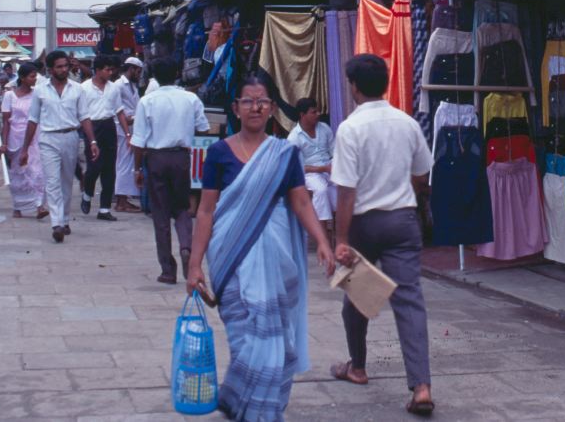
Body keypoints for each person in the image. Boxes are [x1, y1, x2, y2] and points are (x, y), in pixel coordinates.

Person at [185, 76, 334, 421]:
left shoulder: (284, 154)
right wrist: (194, 266)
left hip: (276, 258)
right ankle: (245, 405)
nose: (255, 107)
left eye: (262, 101)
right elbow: (206, 211)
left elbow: (300, 202)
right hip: (230, 258)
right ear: (235, 108)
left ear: (271, 110)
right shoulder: (219, 152)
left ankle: (254, 408)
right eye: (248, 101)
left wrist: (323, 242)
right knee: (244, 339)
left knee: (273, 341)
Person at [330, 54, 435, 416]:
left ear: (355, 87)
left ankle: (357, 366)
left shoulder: (349, 128)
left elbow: (345, 191)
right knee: (409, 303)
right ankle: (421, 386)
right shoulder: (407, 123)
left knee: (357, 298)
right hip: (403, 221)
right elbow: (422, 176)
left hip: (363, 223)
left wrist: (340, 239)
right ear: (385, 84)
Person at [131, 57, 208, 284]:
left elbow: (138, 141)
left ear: (154, 76)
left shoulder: (148, 101)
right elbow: (203, 128)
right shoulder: (190, 98)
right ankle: (186, 246)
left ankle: (167, 269)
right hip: (181, 156)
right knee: (182, 208)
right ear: (177, 73)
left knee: (160, 213)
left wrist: (137, 168)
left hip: (156, 158)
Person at [24, 50, 97, 242]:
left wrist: (93, 141)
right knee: (52, 181)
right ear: (50, 69)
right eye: (59, 66)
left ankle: (64, 219)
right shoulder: (40, 90)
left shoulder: (77, 89)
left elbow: (85, 117)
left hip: (71, 136)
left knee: (66, 182)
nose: (64, 69)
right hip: (48, 138)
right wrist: (24, 148)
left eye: (65, 66)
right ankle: (56, 223)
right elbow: (33, 120)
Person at [80, 54, 127, 222]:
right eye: (107, 69)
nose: (110, 72)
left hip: (109, 126)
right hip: (92, 127)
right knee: (93, 167)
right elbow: (81, 112)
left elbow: (119, 111)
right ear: (98, 70)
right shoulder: (84, 88)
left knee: (109, 169)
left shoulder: (113, 88)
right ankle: (87, 193)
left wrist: (127, 133)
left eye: (112, 69)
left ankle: (104, 208)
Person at [0, 63, 48, 219]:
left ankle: (39, 205)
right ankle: (18, 206)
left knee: (36, 172)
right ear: (22, 77)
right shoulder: (9, 95)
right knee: (19, 174)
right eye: (32, 76)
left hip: (34, 136)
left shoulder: (37, 94)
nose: (34, 79)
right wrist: (4, 143)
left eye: (35, 76)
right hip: (15, 138)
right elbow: (6, 121)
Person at [288, 98, 337, 240]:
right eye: (313, 112)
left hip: (329, 168)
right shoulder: (294, 137)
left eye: (317, 111)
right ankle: (322, 236)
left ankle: (342, 234)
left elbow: (334, 152)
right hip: (309, 174)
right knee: (321, 189)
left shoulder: (324, 128)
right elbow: (298, 168)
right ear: (302, 115)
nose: (318, 114)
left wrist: (334, 166)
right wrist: (322, 168)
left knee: (344, 185)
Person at [113, 56, 144, 213]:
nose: (139, 74)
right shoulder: (118, 85)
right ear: (131, 69)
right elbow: (118, 110)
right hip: (122, 130)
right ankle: (121, 201)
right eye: (138, 71)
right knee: (123, 165)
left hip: (132, 128)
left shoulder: (132, 86)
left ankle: (124, 198)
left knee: (128, 164)